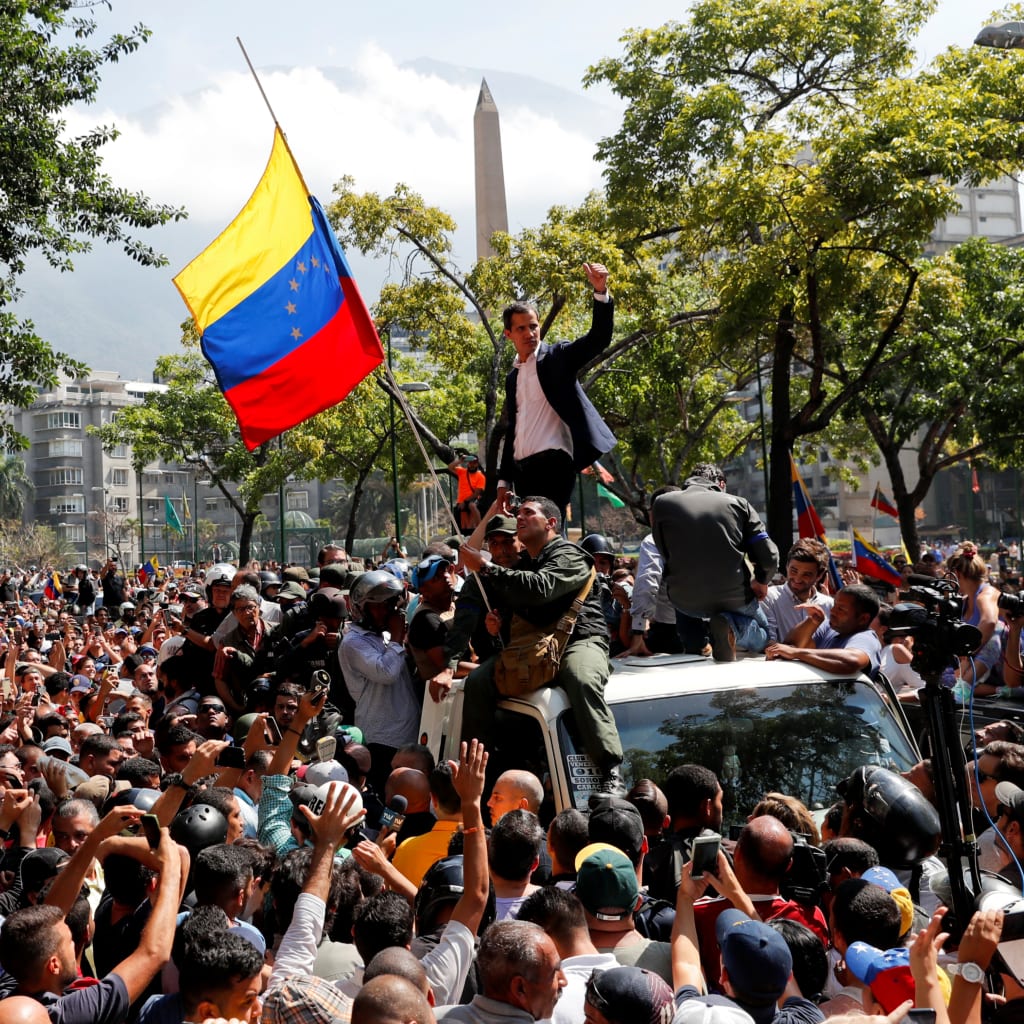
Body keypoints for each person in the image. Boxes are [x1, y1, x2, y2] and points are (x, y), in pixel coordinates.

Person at [457, 496, 624, 794]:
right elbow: (471, 554)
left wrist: (484, 566)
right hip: (537, 649)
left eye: (528, 513)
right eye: (518, 513)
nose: (520, 517)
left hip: (579, 640)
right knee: (479, 681)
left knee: (580, 678)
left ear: (551, 523)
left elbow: (540, 590)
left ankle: (610, 770)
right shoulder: (526, 562)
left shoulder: (569, 555)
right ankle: (474, 773)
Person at [495, 262, 617, 522]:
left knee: (547, 531)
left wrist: (601, 292)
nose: (530, 333)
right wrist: (503, 481)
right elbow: (513, 431)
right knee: (530, 540)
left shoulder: (557, 357)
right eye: (521, 328)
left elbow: (598, 339)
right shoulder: (512, 377)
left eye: (533, 326)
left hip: (555, 464)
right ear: (508, 334)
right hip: (522, 472)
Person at [652, 463, 778, 661]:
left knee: (688, 601)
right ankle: (731, 629)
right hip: (734, 598)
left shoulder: (661, 503)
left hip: (682, 599)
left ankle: (695, 644)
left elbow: (664, 550)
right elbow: (769, 557)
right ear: (720, 483)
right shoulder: (739, 504)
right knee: (765, 634)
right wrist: (761, 580)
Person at [766, 583, 882, 678]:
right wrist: (812, 622)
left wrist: (798, 653)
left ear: (863, 619)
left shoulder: (865, 638)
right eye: (834, 605)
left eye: (840, 609)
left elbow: (853, 661)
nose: (832, 611)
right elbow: (791, 645)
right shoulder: (829, 627)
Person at [761, 539, 834, 644]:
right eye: (793, 571)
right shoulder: (769, 598)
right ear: (787, 566)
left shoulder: (829, 604)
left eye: (806, 574)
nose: (797, 579)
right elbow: (768, 643)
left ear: (819, 575)